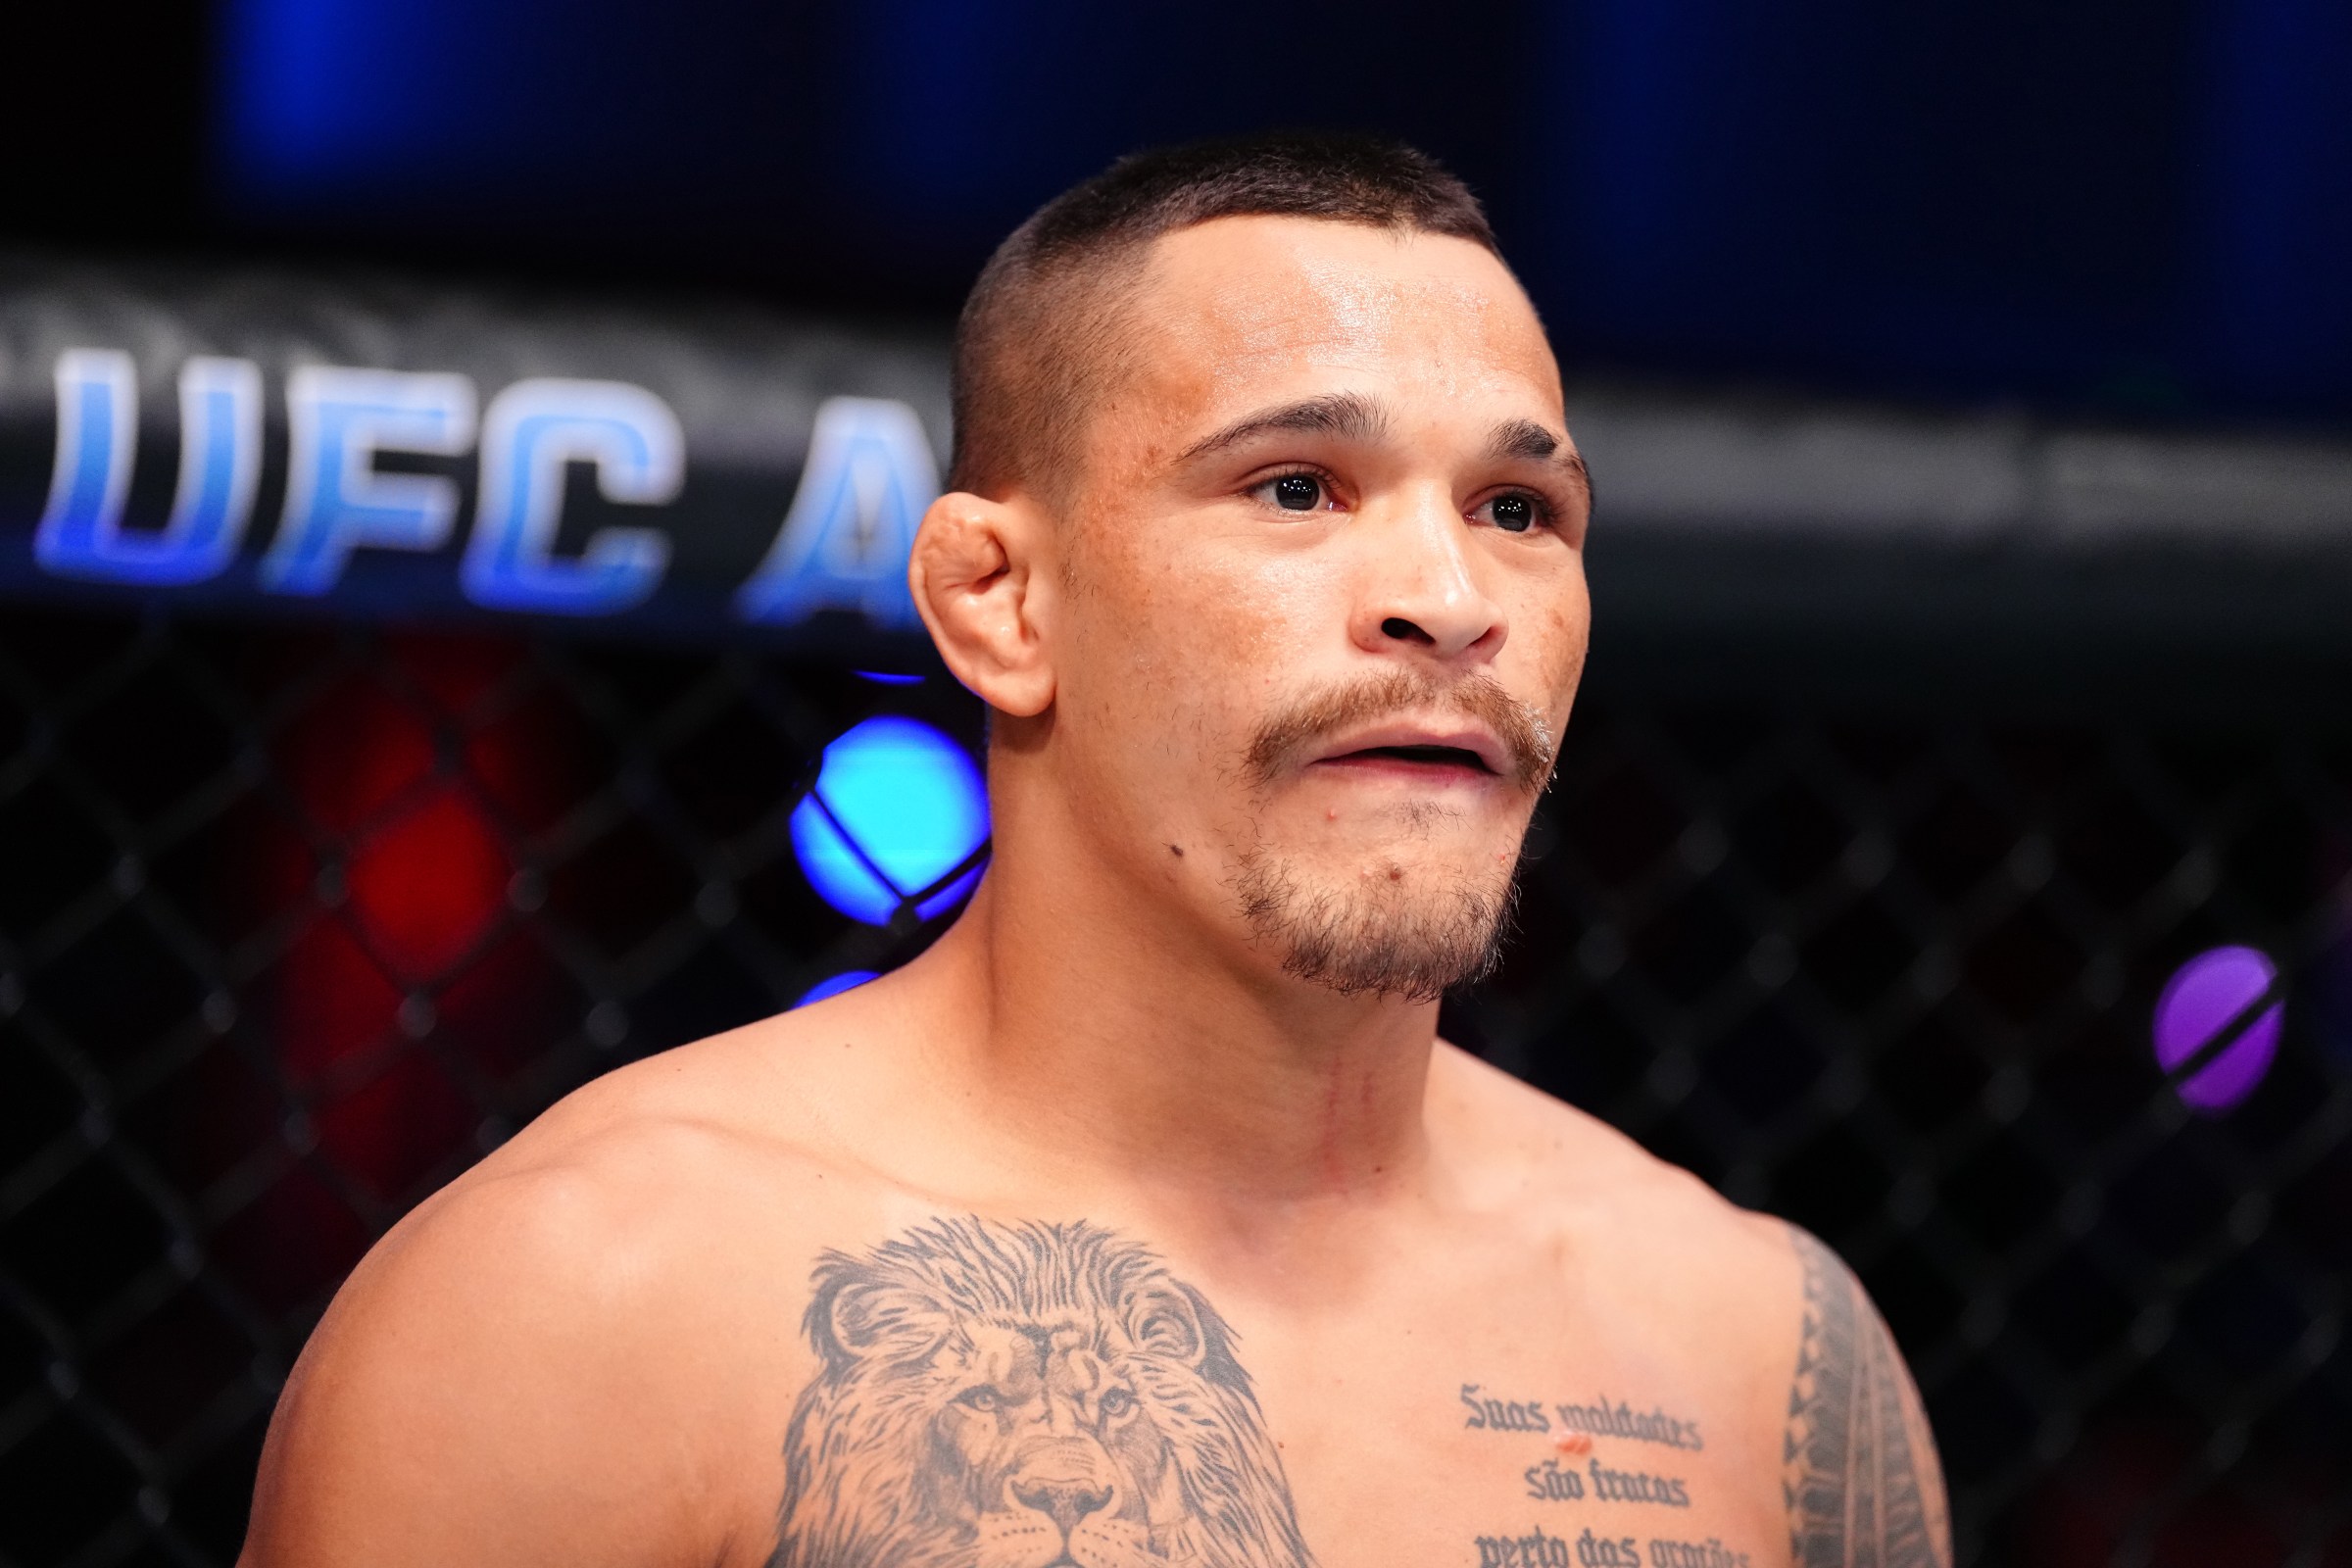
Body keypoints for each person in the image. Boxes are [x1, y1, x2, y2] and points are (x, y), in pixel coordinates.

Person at [240, 132, 1950, 1568]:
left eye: (1519, 511)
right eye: (1296, 487)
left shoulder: (1758, 1344)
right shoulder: (588, 1309)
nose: (1451, 602)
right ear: (999, 599)